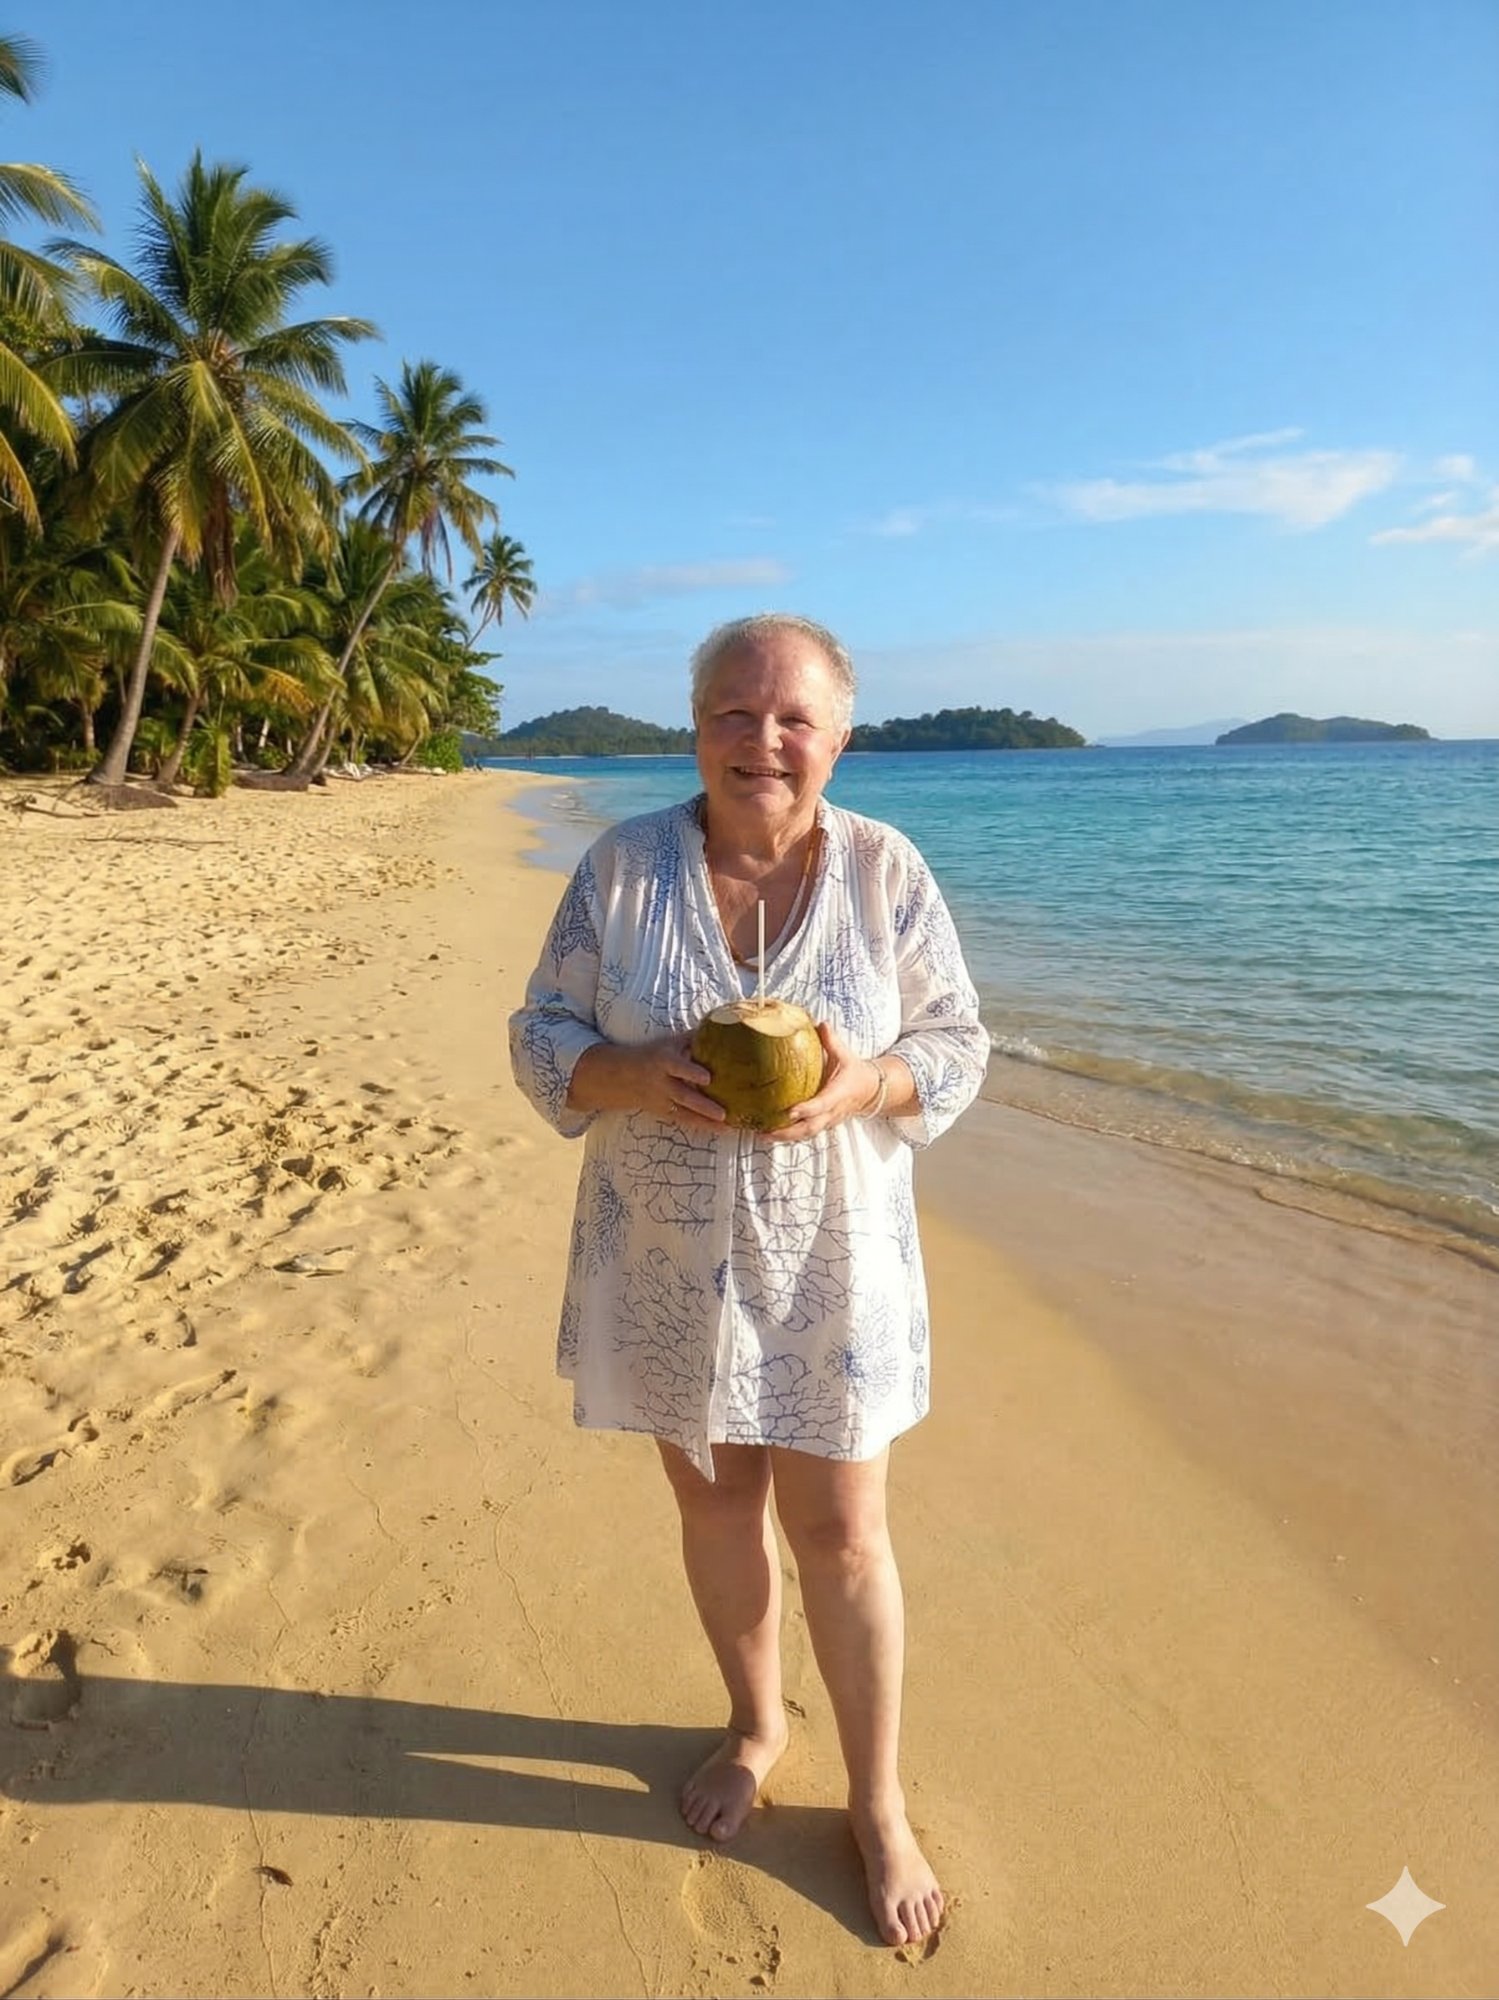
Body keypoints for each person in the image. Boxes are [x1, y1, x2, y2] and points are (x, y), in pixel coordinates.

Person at [509, 612, 988, 1947]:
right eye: (733, 711)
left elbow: (957, 1045)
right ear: (695, 725)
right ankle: (757, 1726)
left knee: (842, 1534)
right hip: (662, 1262)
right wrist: (624, 1070)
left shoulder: (888, 874)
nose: (761, 741)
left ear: (839, 735)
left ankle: (878, 1802)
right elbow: (539, 1030)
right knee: (717, 1510)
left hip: (834, 1270)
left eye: (792, 718)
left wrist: (866, 1084)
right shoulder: (623, 869)